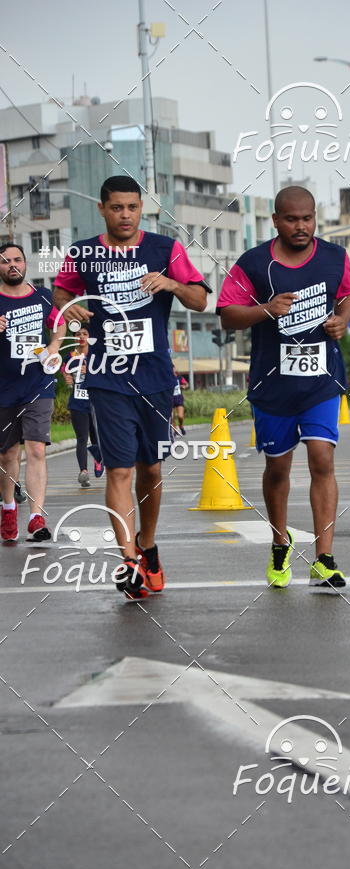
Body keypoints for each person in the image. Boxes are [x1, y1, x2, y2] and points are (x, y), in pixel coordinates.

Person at [53, 175, 209, 599]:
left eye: (133, 207)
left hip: (154, 377)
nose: (125, 215)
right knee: (119, 469)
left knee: (150, 468)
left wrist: (172, 283)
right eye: (117, 207)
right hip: (107, 377)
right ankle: (128, 559)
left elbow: (200, 300)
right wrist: (72, 310)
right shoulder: (83, 253)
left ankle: (148, 545)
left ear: (142, 209)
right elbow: (61, 293)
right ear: (102, 209)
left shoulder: (165, 249)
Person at [218, 185, 350, 589]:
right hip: (272, 385)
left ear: (315, 218)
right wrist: (266, 309)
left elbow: (349, 293)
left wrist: (342, 320)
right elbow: (227, 315)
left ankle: (324, 559)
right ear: (276, 221)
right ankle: (280, 542)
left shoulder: (334, 257)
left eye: (308, 218)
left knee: (322, 459)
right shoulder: (253, 263)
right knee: (278, 467)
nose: (301, 226)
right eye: (292, 219)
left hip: (321, 380)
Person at [0, 243, 65, 542]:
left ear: (25, 263)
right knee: (7, 454)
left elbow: (60, 324)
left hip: (38, 383)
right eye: (5, 261)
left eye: (17, 260)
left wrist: (54, 346)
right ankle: (8, 508)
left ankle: (36, 517)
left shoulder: (43, 296)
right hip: (3, 387)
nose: (12, 265)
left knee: (37, 449)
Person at [62, 325, 104, 486]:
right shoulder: (69, 357)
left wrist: (92, 372)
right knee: (82, 438)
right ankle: (83, 472)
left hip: (96, 403)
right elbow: (64, 372)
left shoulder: (97, 355)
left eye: (85, 333)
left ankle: (99, 460)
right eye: (78, 334)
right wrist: (67, 377)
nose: (81, 336)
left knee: (96, 438)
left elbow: (106, 374)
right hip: (77, 402)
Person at [172, 364, 186, 435]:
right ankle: (175, 430)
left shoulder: (179, 377)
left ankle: (181, 426)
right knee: (172, 417)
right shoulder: (167, 378)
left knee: (180, 416)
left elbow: (186, 384)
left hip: (178, 398)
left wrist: (183, 386)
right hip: (170, 398)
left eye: (173, 368)